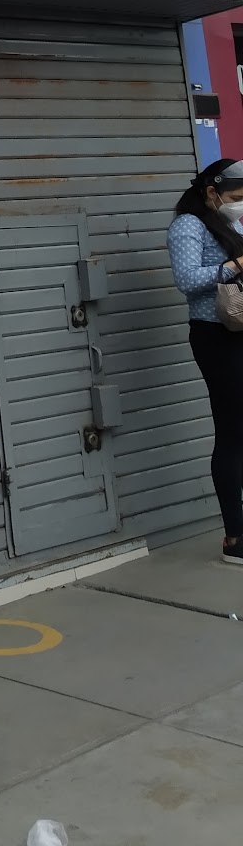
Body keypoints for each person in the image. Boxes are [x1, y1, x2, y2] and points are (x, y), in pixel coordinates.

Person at [168, 158, 243, 565]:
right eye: (236, 196)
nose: (240, 204)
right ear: (211, 192)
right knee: (232, 432)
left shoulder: (231, 223)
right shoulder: (189, 226)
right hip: (216, 337)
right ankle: (235, 538)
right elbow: (186, 280)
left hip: (240, 329)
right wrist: (236, 265)